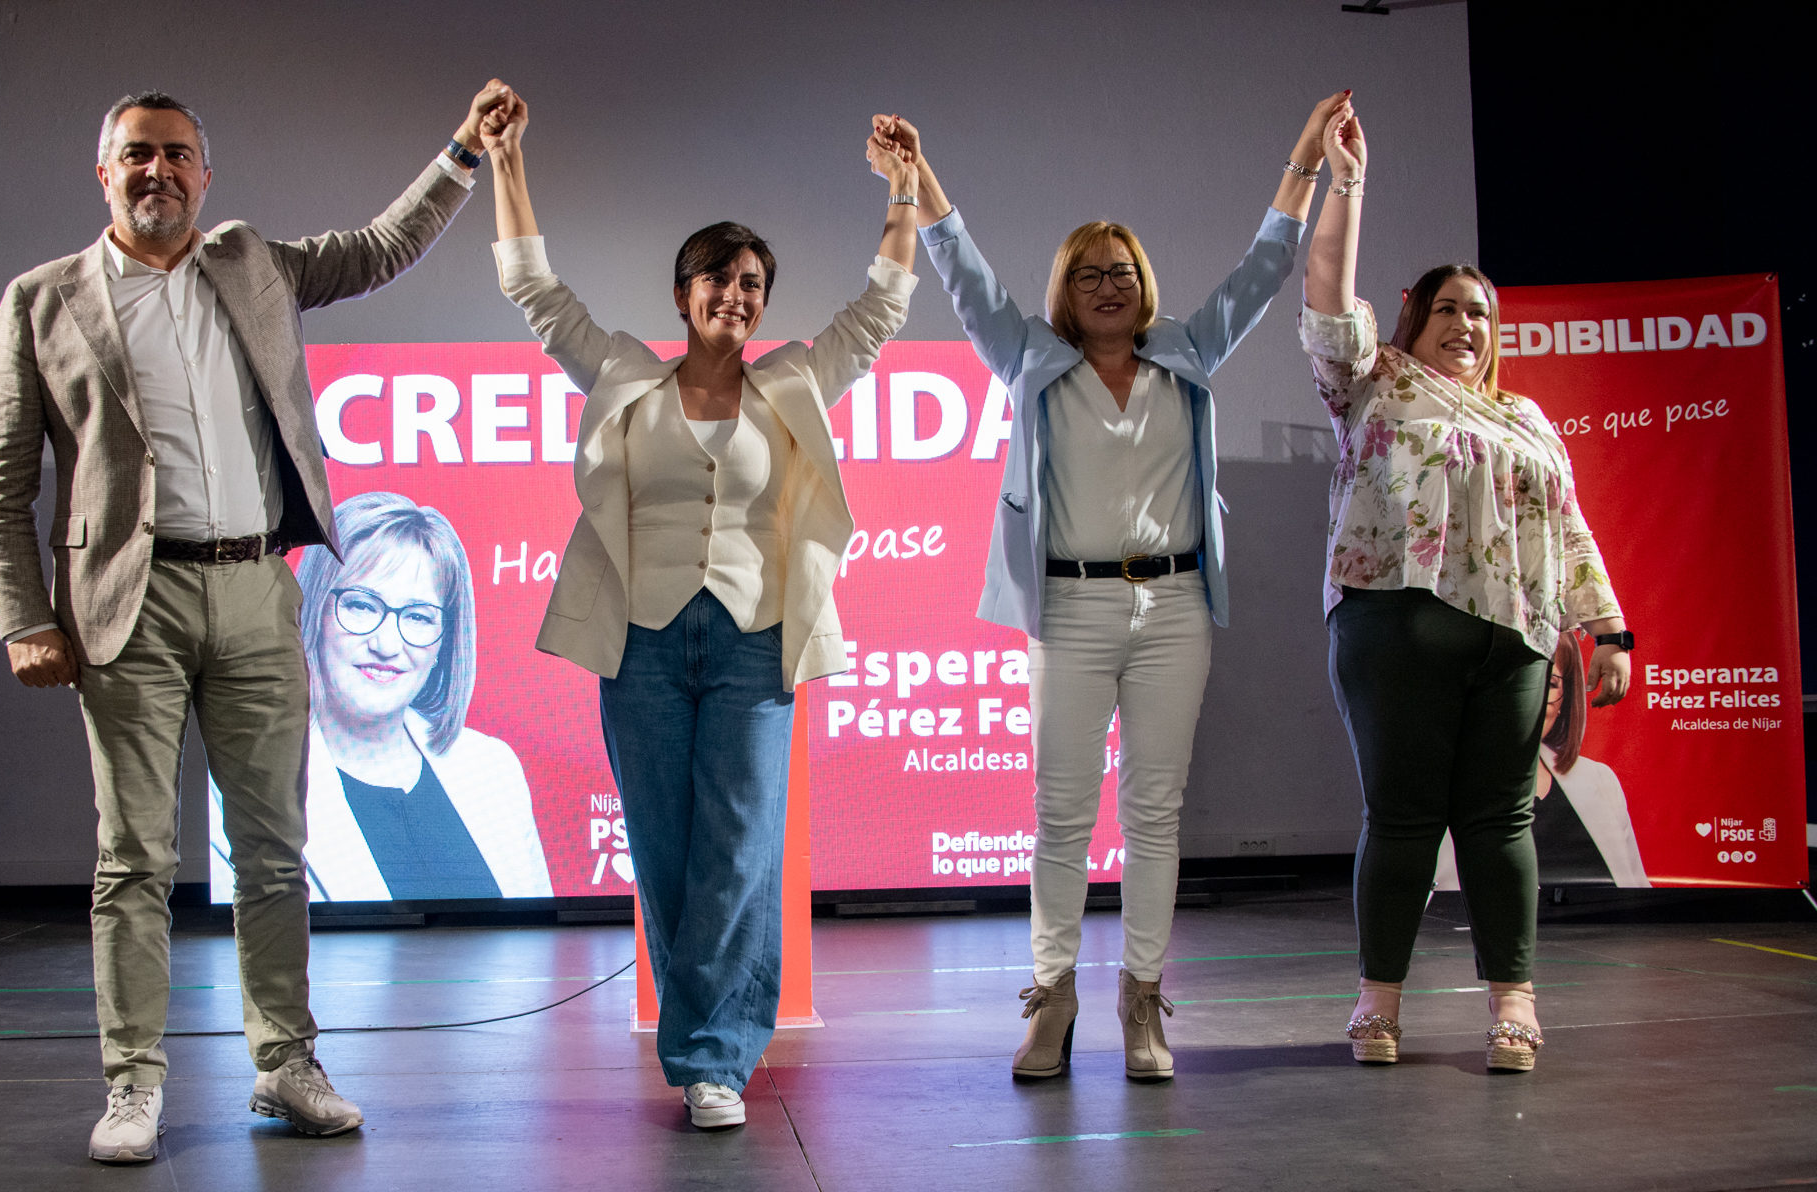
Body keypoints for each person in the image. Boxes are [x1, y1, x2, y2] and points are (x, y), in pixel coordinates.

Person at [0, 81, 512, 1162]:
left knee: (273, 851)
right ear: (103, 172)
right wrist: (25, 618)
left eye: (175, 154)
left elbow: (377, 248)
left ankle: (285, 1063)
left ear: (203, 173)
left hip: (261, 589)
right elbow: (1, 486)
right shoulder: (42, 298)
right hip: (130, 602)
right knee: (133, 856)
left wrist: (462, 150)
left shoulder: (250, 262)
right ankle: (131, 1085)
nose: (156, 171)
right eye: (135, 155)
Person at [875, 93, 1346, 1082]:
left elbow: (1266, 269)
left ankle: (1140, 999)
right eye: (1086, 274)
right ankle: (1050, 999)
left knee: (1153, 810)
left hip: (1173, 605)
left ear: (1143, 285)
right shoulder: (1031, 360)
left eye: (1120, 272)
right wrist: (917, 183)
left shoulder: (1187, 350)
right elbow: (963, 278)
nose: (1104, 286)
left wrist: (1304, 157)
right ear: (1064, 289)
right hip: (1070, 606)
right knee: (1058, 812)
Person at [482, 95, 917, 1128]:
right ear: (683, 293)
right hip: (639, 639)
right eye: (718, 277)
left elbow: (883, 303)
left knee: (740, 847)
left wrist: (902, 189)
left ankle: (711, 1057)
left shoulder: (797, 380)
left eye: (752, 282)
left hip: (751, 641)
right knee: (666, 847)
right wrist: (506, 161)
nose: (735, 293)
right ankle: (703, 1044)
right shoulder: (629, 374)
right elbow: (533, 290)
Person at [1298, 100, 1630, 1073]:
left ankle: (1512, 1008)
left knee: (1499, 820)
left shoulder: (1526, 419)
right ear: (1415, 316)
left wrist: (1600, 631)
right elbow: (1324, 289)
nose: (1465, 324)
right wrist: (1346, 183)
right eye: (1447, 307)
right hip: (1393, 624)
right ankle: (1376, 1005)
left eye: (1480, 314)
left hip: (1515, 642)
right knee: (1399, 817)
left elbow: (1565, 528)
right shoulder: (1373, 381)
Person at [206, 491, 552, 901]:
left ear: (444, 641)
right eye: (362, 606)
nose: (387, 644)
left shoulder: (493, 770)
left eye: (418, 616)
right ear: (314, 606)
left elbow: (539, 944)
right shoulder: (243, 783)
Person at [1435, 631, 1648, 889]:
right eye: (1508, 679)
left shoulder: (1600, 781)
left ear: (1565, 701)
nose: (1526, 695)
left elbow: (1637, 892)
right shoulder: (1433, 779)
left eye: (1550, 683)